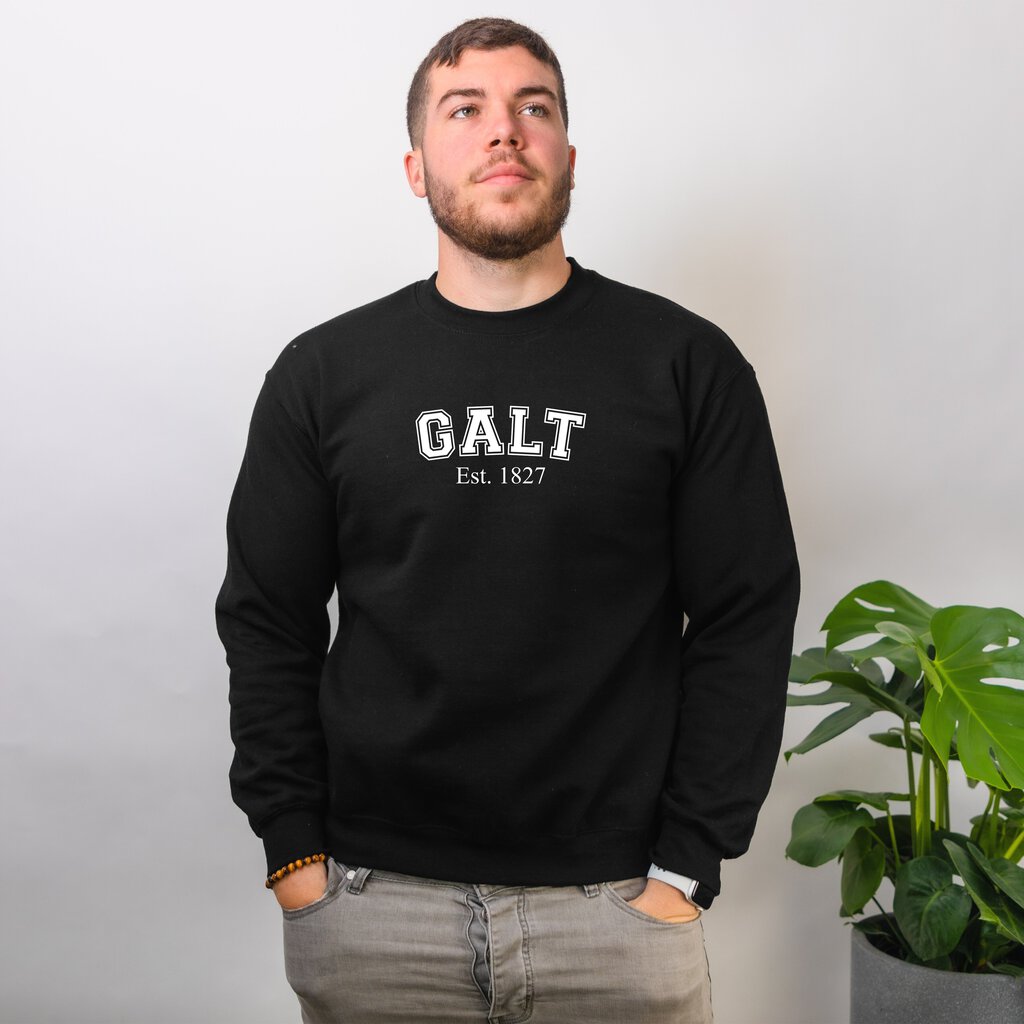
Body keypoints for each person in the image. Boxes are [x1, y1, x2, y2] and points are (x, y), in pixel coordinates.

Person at [215, 16, 800, 1024]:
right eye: (465, 109)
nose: (504, 130)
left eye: (534, 107)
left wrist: (685, 867)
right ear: (415, 167)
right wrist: (294, 856)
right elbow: (268, 619)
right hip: (373, 904)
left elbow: (744, 614)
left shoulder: (685, 365)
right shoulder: (323, 375)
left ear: (568, 155)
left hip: (616, 905)